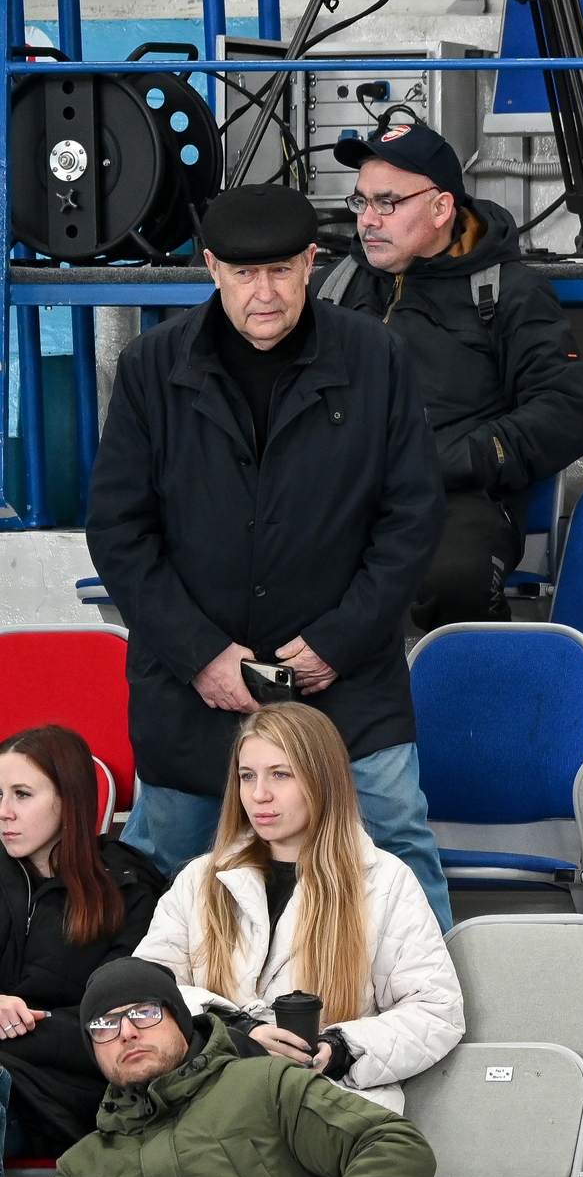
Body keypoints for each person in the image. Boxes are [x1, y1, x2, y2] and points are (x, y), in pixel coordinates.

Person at [85, 184, 451, 929]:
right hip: (192, 688)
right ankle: (162, 1008)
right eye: (244, 273)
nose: (265, 292)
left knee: (397, 852)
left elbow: (412, 518)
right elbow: (119, 531)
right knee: (171, 878)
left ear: (311, 262)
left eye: (281, 270)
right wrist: (201, 656)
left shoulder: (375, 356)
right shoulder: (150, 367)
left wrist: (336, 643)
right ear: (211, 268)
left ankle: (434, 1001)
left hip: (349, 681)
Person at [318, 119, 583, 630]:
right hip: (336, 492)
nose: (367, 220)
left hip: (457, 498)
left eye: (387, 202)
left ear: (442, 208)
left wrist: (456, 458)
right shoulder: (332, 287)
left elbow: (565, 413)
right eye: (361, 202)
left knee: (456, 577)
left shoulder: (510, 291)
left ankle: (476, 677)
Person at [133, 704, 464, 1115]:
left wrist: (341, 1048)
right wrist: (238, 1031)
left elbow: (436, 1011)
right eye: (247, 776)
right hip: (210, 1100)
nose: (260, 794)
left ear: (322, 780)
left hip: (331, 1105)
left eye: (281, 774)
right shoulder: (200, 879)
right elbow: (145, 992)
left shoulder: (385, 880)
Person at [46, 957, 435, 1177]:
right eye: (103, 1025)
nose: (126, 1032)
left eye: (144, 1013)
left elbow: (397, 1147)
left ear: (179, 1018)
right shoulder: (80, 1168)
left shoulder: (266, 1085)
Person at [0, 727, 165, 1158]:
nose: (3, 812)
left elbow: (122, 1021)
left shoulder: (126, 889)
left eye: (21, 795)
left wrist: (16, 1028)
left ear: (69, 799)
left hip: (65, 1095)